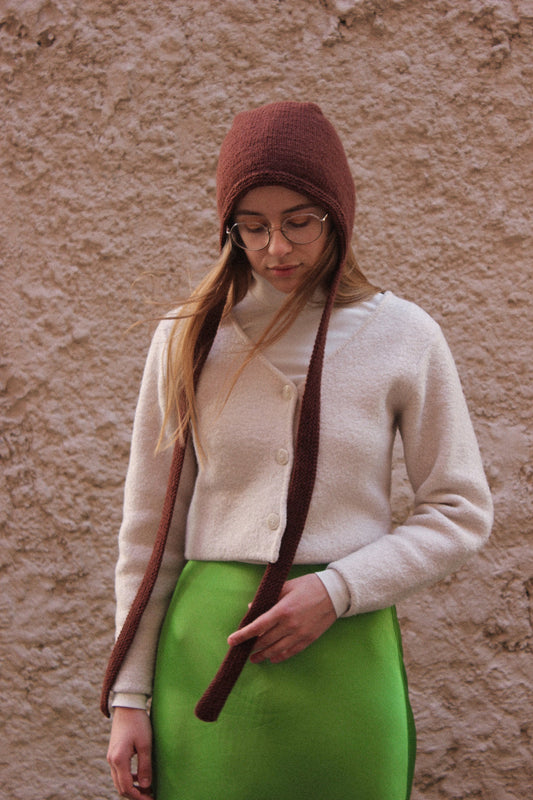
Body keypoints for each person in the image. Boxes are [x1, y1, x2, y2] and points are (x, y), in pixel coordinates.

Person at [104, 101, 493, 800]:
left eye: (297, 222)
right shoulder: (187, 338)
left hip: (344, 650)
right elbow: (148, 536)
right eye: (252, 227)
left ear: (337, 215)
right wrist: (128, 697)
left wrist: (336, 589)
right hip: (204, 656)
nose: (276, 248)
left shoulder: (402, 335)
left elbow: (458, 510)